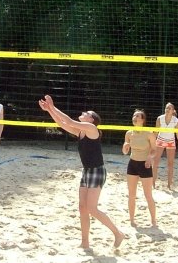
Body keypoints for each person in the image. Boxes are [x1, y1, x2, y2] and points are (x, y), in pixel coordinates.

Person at [38, 95, 124, 249]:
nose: (84, 112)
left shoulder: (92, 129)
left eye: (87, 113)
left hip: (97, 171)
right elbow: (62, 123)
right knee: (82, 207)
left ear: (92, 120)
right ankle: (85, 243)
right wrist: (49, 111)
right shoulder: (81, 132)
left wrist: (52, 106)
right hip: (87, 171)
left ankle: (118, 233)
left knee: (92, 208)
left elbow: (69, 121)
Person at [122, 109, 157, 227]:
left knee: (148, 195)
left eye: (137, 116)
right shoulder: (129, 133)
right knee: (131, 194)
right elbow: (124, 152)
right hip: (132, 164)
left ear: (142, 120)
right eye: (133, 115)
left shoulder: (149, 133)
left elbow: (154, 150)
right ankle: (132, 220)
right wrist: (125, 147)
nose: (134, 117)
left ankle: (153, 220)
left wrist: (149, 158)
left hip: (145, 165)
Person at [153, 102, 178, 190]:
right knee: (155, 162)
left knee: (170, 164)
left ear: (173, 111)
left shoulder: (176, 121)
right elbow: (156, 133)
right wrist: (151, 144)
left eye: (169, 108)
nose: (167, 110)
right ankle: (153, 183)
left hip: (170, 142)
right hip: (160, 140)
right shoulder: (160, 119)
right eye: (166, 108)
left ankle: (169, 185)